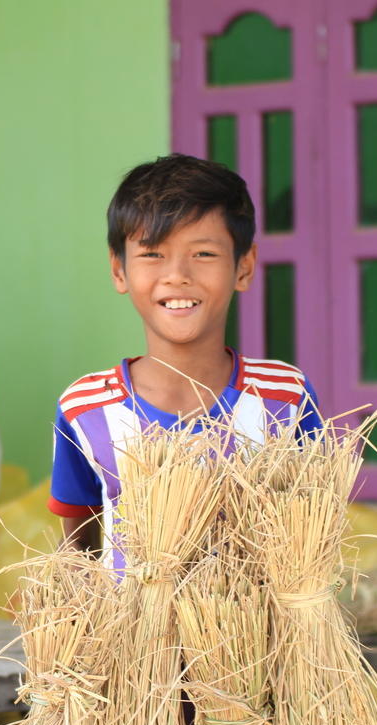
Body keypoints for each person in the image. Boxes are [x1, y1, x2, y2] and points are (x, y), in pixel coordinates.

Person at [48, 154, 322, 558]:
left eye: (204, 254)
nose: (177, 274)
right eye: (153, 254)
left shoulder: (284, 397)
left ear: (244, 268)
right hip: (132, 623)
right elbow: (77, 552)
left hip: (252, 624)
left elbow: (313, 538)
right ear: (119, 270)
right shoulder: (85, 408)